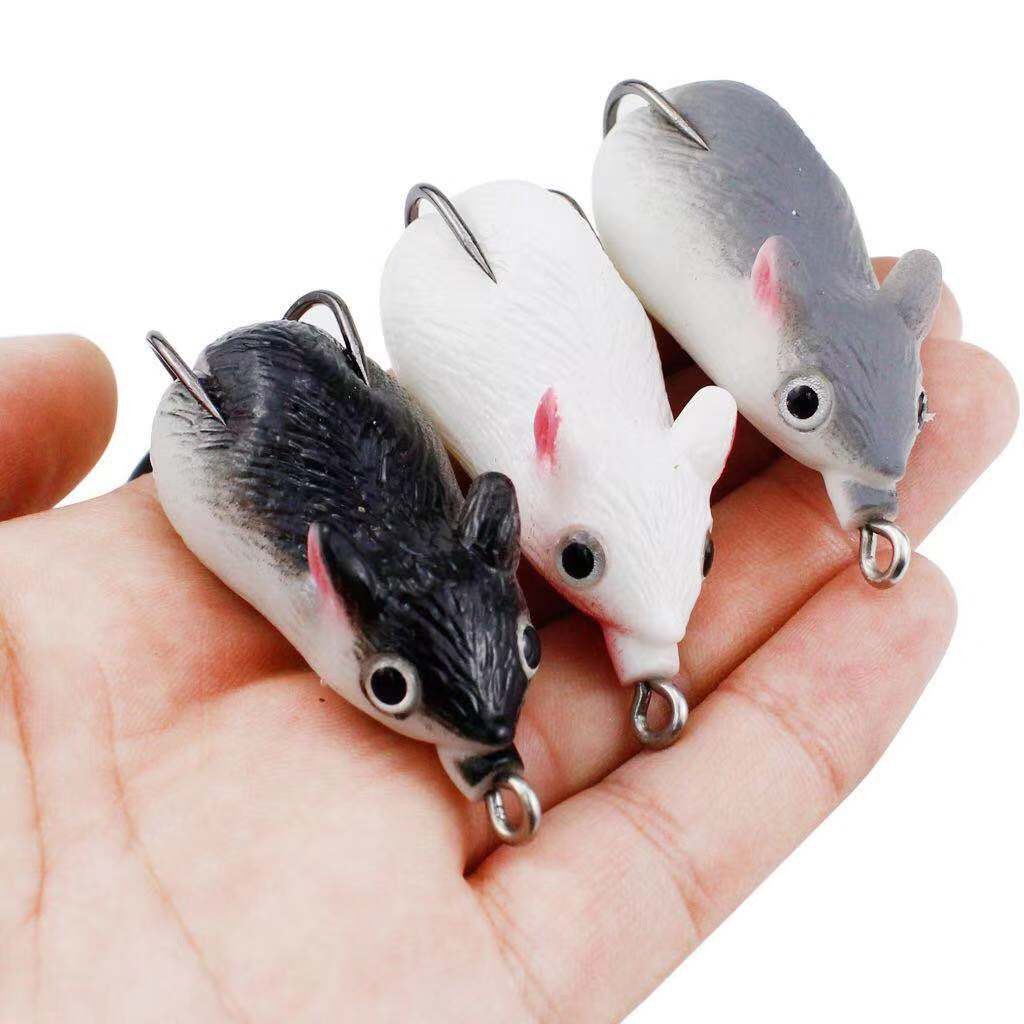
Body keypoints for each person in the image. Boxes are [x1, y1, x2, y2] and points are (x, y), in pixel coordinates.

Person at [0, 265, 1016, 1021]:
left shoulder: (486, 527)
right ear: (331, 599)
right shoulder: (330, 572)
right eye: (391, 686)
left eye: (523, 650)